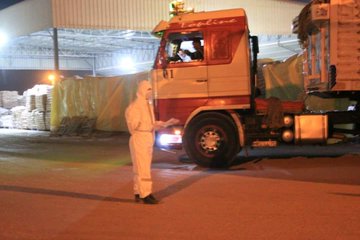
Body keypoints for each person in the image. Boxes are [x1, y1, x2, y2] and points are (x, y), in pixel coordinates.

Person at [125, 80, 178, 204]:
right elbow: (134, 125)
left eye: (151, 89)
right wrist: (145, 126)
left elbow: (151, 124)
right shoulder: (135, 107)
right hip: (140, 138)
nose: (150, 92)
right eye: (148, 89)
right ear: (142, 90)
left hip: (147, 137)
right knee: (143, 168)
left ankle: (138, 192)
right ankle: (146, 194)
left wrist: (166, 123)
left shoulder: (147, 105)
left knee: (141, 167)